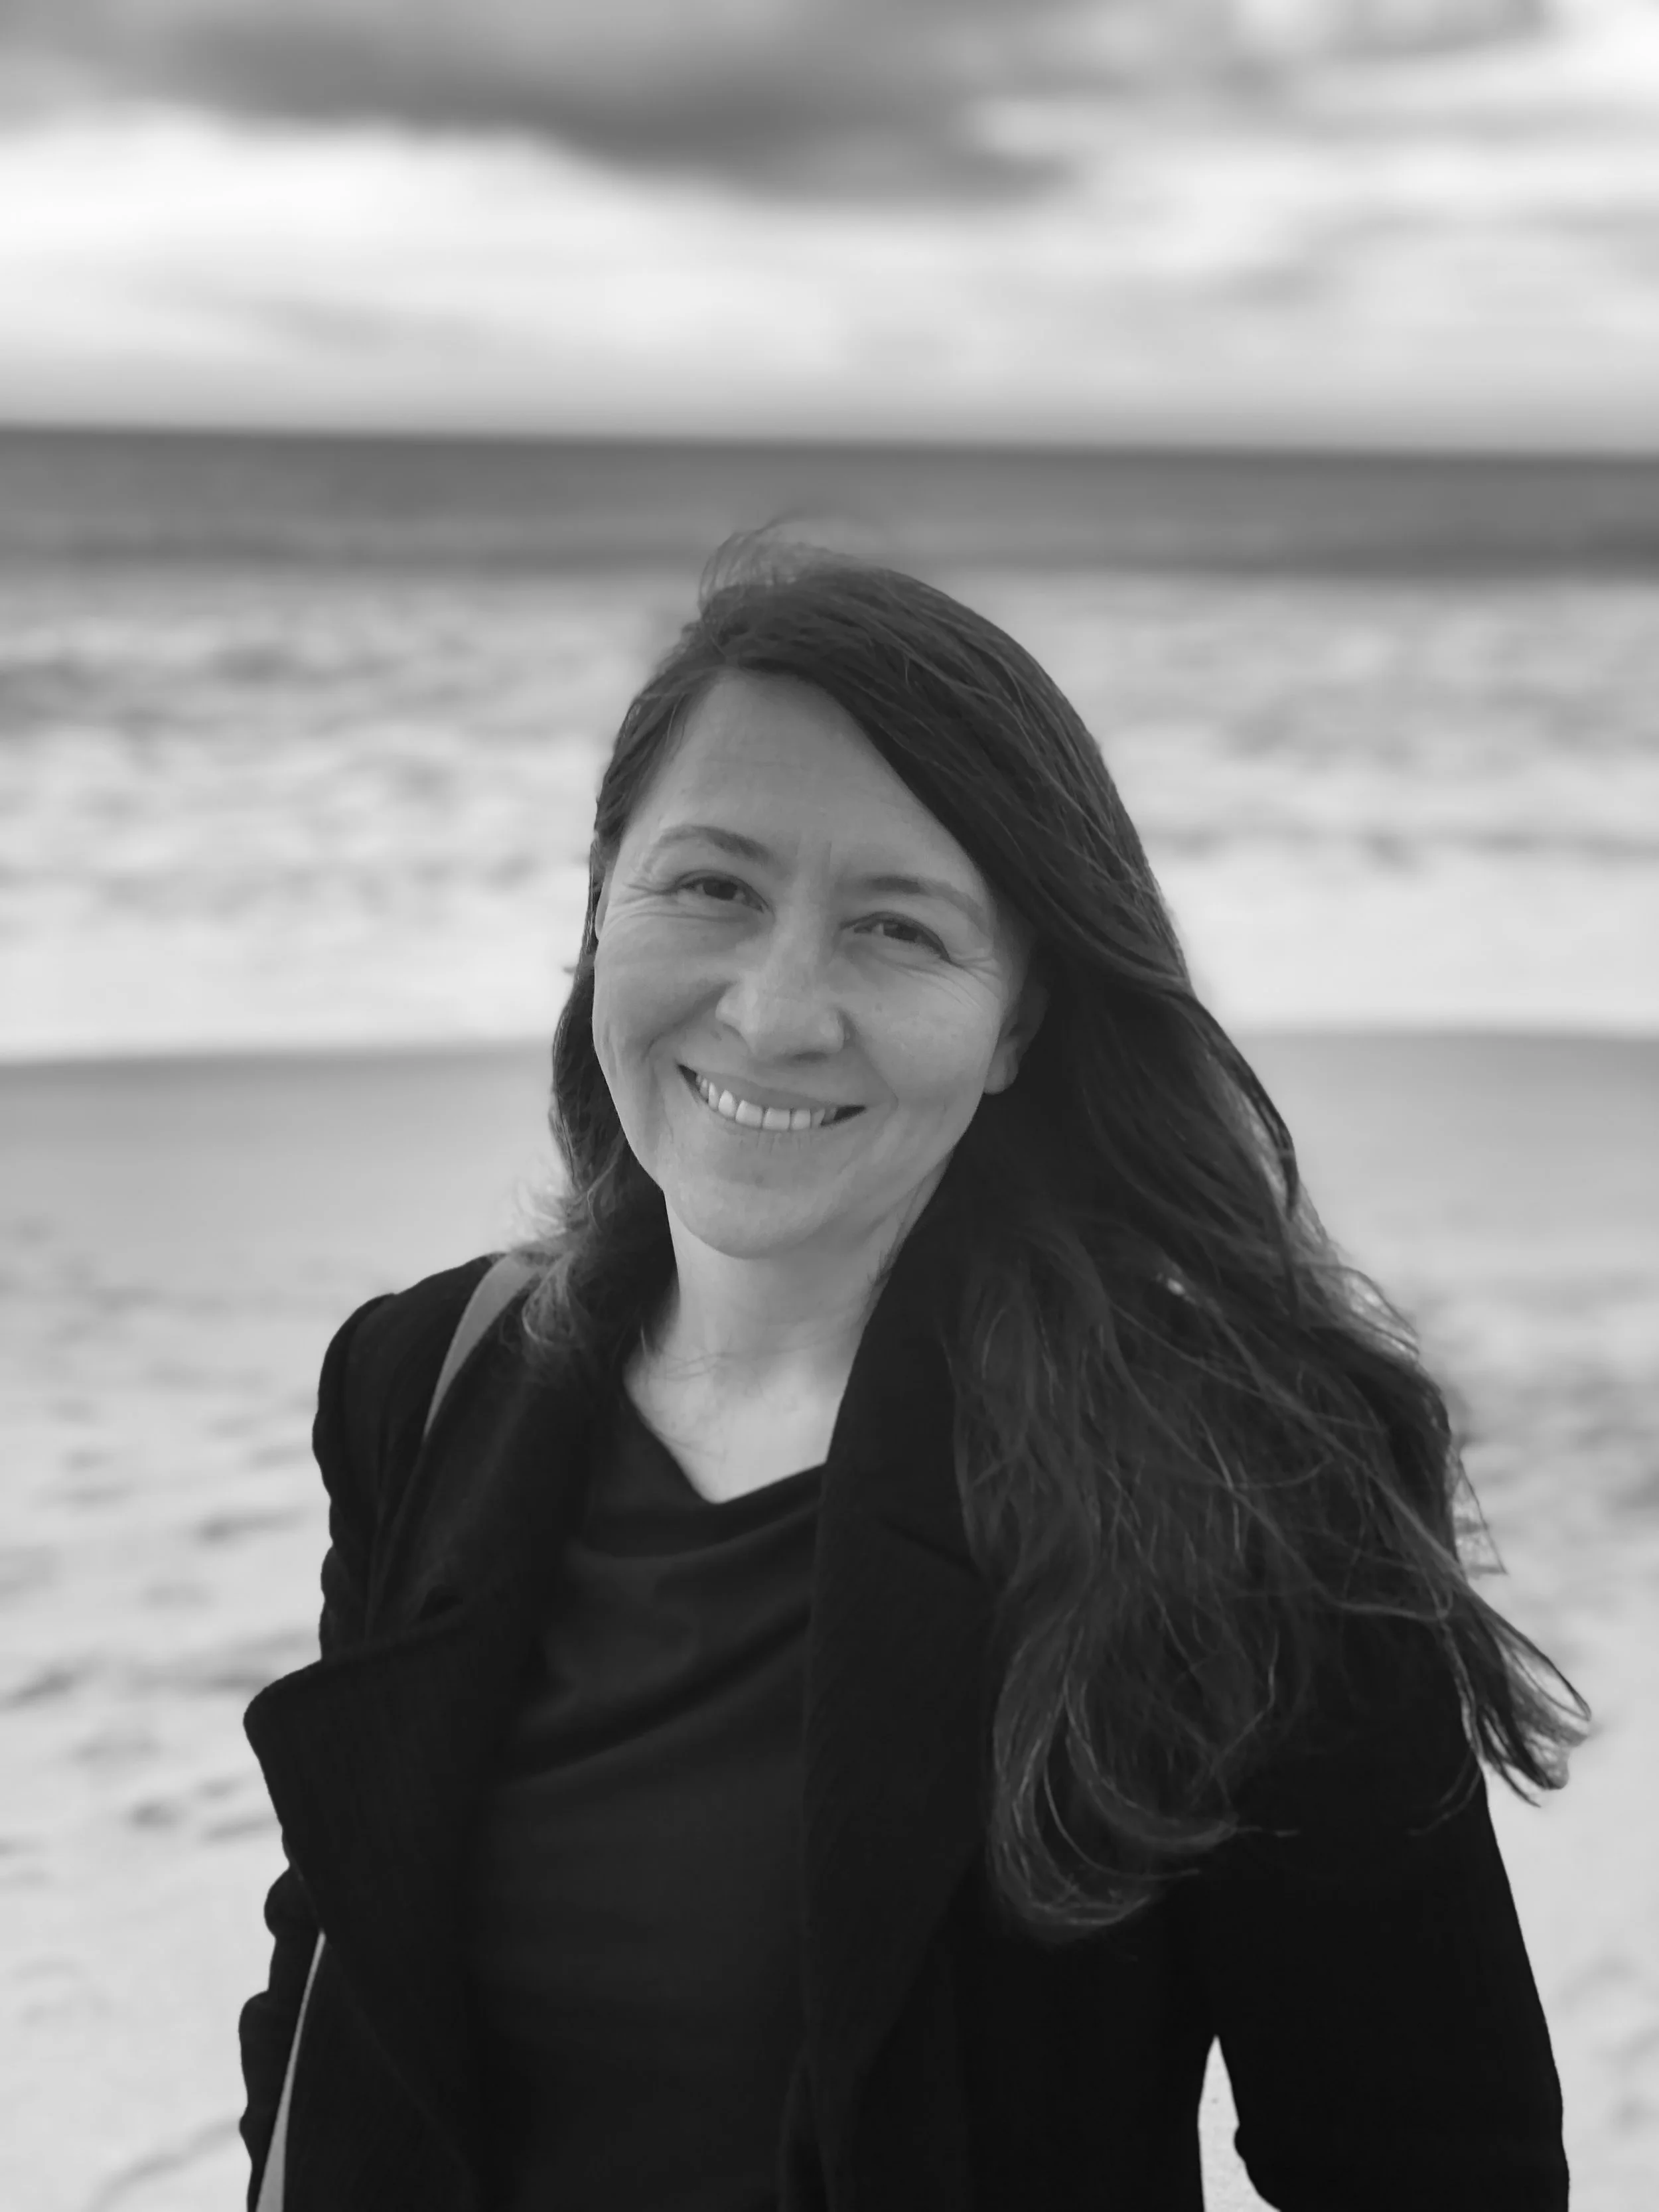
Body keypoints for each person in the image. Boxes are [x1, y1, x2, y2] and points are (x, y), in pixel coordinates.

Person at [239, 536, 1585, 2211]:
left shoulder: (1236, 1491)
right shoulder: (423, 1384)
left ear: (1019, 1018)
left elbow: (1430, 2163)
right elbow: (334, 1983)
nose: (777, 1008)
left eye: (897, 929)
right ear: (600, 914)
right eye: (711, 886)